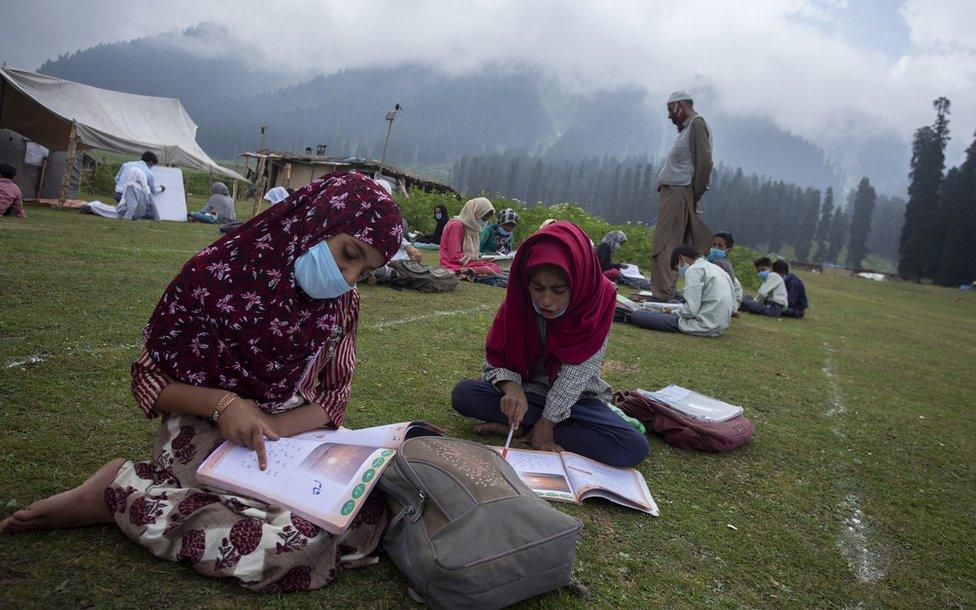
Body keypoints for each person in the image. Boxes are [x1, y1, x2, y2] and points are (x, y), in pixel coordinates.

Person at [1, 172, 406, 593]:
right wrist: (226, 406)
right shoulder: (215, 274)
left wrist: (276, 430)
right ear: (317, 220)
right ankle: (116, 491)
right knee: (287, 546)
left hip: (292, 436)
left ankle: (150, 500)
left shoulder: (342, 305)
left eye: (365, 269)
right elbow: (150, 378)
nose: (348, 275)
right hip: (206, 426)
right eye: (349, 253)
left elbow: (334, 394)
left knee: (364, 520)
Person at [451, 221, 649, 467]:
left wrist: (548, 422)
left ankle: (528, 426)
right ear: (527, 282)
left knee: (632, 446)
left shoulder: (597, 303)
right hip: (530, 392)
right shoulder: (519, 301)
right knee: (464, 394)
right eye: (538, 288)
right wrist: (512, 388)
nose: (546, 301)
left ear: (578, 282)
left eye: (558, 290)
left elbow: (575, 376)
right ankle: (537, 424)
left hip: (578, 400)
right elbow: (496, 359)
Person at [650, 90, 714, 301]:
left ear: (683, 105)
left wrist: (694, 196)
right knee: (673, 242)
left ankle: (661, 294)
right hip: (676, 192)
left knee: (665, 242)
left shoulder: (696, 124)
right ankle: (665, 291)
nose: (670, 116)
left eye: (671, 110)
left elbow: (704, 164)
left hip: (679, 192)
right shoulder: (687, 128)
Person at [629, 245, 735, 337]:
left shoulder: (694, 270)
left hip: (702, 325)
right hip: (718, 326)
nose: (679, 271)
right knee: (673, 303)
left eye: (677, 267)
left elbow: (691, 311)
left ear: (681, 259)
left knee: (638, 315)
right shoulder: (716, 269)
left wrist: (673, 312)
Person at [439, 197, 506, 285]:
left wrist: (480, 258)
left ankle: (469, 271)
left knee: (495, 267)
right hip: (452, 263)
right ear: (475, 212)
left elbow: (471, 254)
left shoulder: (471, 228)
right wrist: (476, 260)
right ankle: (467, 271)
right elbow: (454, 256)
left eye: (486, 219)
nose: (484, 222)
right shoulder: (456, 225)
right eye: (483, 218)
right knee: (491, 268)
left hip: (464, 262)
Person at [706, 232, 743, 308]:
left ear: (728, 250)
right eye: (714, 245)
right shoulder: (712, 261)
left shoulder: (722, 264)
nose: (715, 248)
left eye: (720, 246)